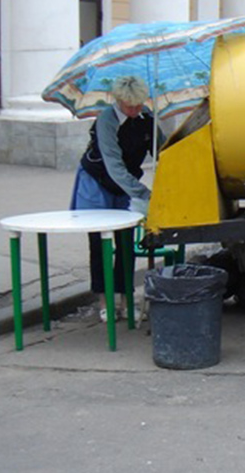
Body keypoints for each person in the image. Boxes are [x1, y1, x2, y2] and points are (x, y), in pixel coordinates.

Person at [70, 75, 155, 322]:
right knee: (100, 242)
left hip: (125, 185)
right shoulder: (106, 120)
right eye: (130, 106)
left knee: (126, 241)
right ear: (118, 101)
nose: (135, 110)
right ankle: (105, 301)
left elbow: (163, 149)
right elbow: (114, 166)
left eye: (139, 105)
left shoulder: (146, 116)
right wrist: (144, 193)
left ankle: (127, 300)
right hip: (96, 182)